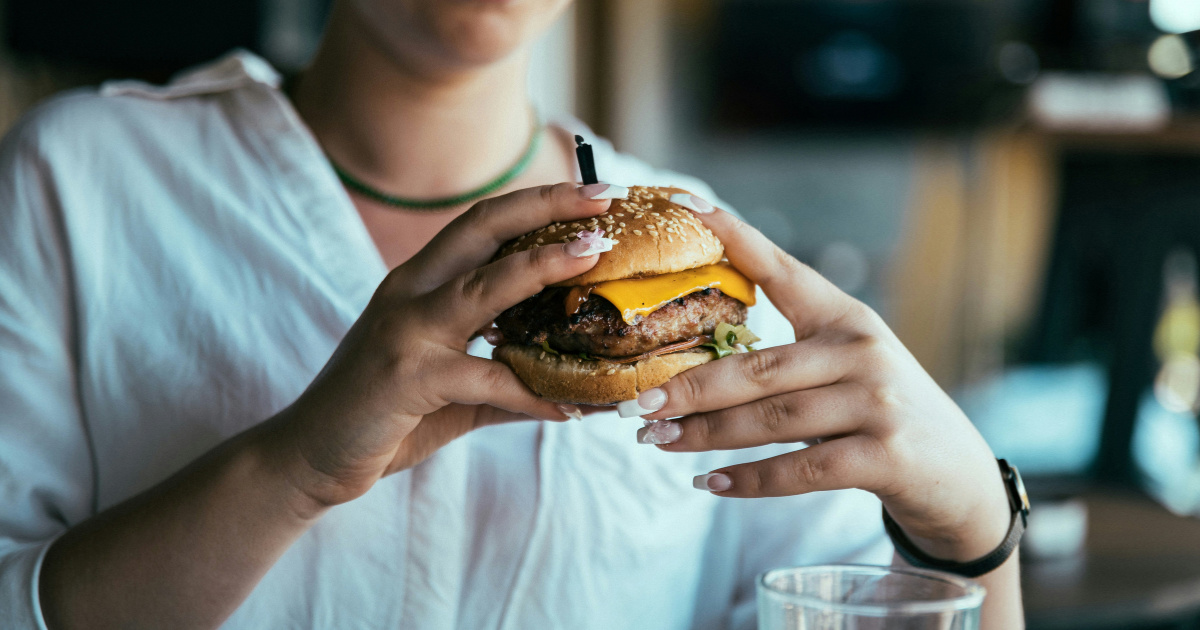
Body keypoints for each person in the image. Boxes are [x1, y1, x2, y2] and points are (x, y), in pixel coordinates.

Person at [0, 0, 1023, 628]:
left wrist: (973, 523)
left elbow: (854, 610)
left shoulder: (711, 250)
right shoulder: (80, 179)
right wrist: (294, 469)